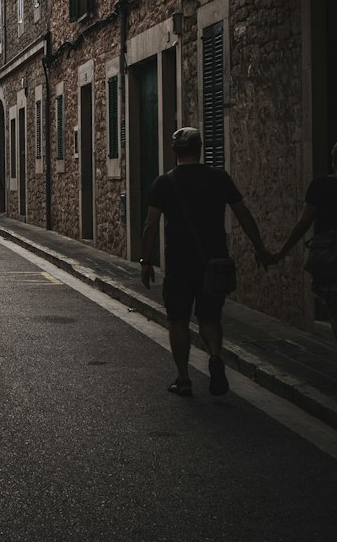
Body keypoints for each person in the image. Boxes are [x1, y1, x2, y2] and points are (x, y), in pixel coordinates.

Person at [139, 126, 270, 398]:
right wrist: (259, 247)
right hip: (215, 262)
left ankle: (184, 378)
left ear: (175, 151)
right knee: (210, 317)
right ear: (200, 149)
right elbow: (243, 214)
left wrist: (145, 261)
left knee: (178, 319)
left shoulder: (164, 183)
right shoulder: (219, 178)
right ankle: (213, 357)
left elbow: (150, 225)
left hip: (179, 263)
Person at [271, 140, 337, 344]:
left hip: (329, 254)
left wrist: (280, 253)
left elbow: (303, 224)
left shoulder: (320, 186)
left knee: (334, 308)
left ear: (333, 162)